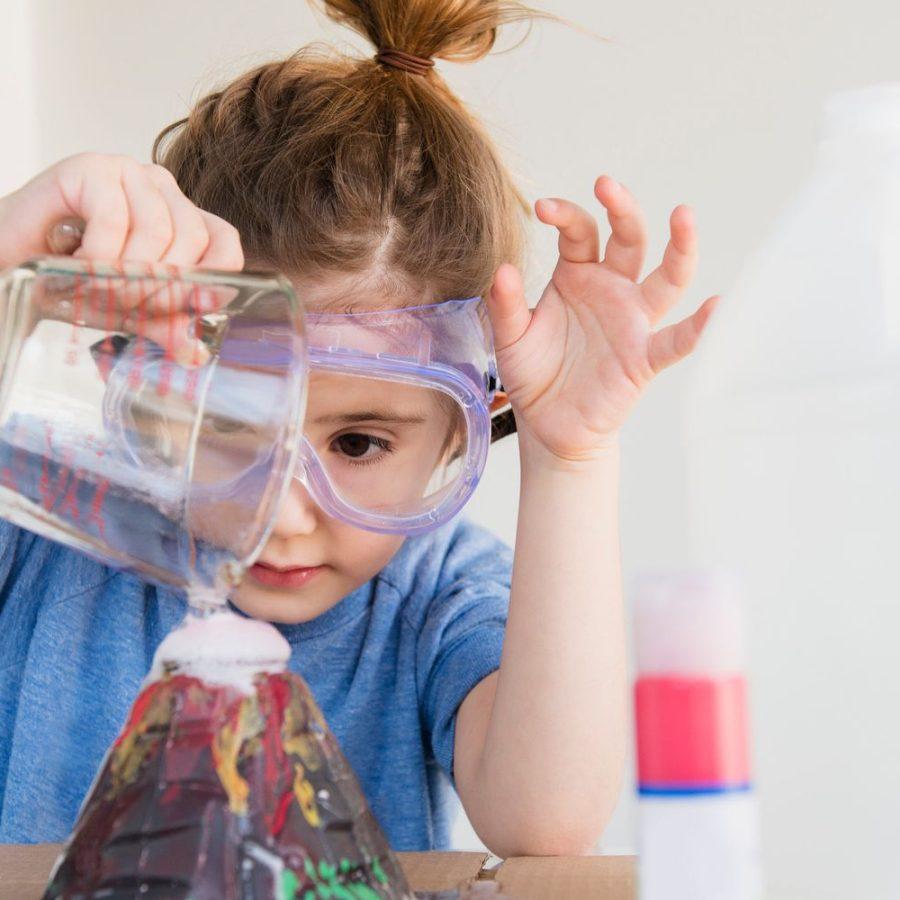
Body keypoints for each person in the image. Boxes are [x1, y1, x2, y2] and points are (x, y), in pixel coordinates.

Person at [0, 0, 717, 855]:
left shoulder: (435, 598)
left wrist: (572, 457)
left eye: (358, 444)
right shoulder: (46, 535)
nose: (284, 511)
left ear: (465, 430)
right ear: (139, 375)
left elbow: (546, 821)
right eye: (232, 420)